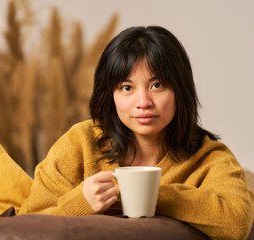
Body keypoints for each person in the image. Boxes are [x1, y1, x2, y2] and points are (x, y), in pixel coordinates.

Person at [17, 26, 254, 239]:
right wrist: (81, 203)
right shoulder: (80, 142)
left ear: (180, 90)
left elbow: (237, 222)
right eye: (127, 88)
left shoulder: (210, 157)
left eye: (156, 85)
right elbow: (25, 225)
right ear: (110, 94)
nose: (143, 102)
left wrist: (150, 195)